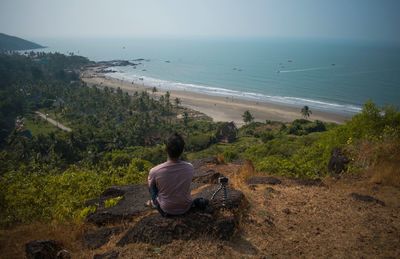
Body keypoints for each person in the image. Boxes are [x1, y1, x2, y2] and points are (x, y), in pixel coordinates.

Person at [147, 133, 194, 216]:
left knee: (151, 184)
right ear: (182, 150)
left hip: (166, 210)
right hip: (186, 207)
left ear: (166, 149)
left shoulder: (155, 170)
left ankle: (154, 203)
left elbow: (151, 187)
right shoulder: (190, 167)